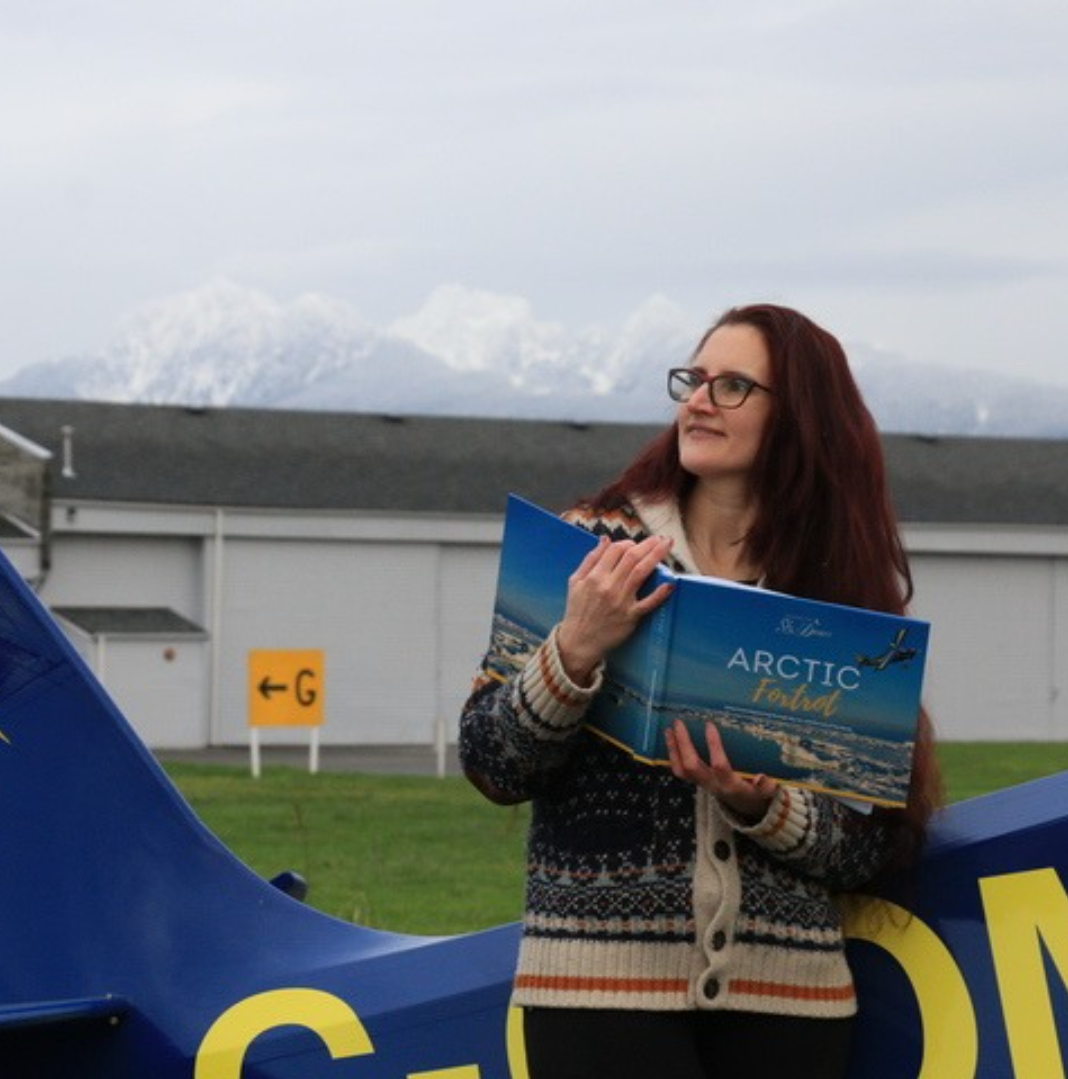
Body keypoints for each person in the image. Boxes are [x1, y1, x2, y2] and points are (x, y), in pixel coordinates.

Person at [459, 303, 942, 1079]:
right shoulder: (588, 546)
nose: (697, 400)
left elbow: (869, 845)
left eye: (733, 386)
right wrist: (575, 647)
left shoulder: (836, 596)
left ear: (800, 420)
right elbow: (490, 763)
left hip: (791, 1004)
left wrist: (764, 805)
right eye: (694, 378)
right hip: (596, 990)